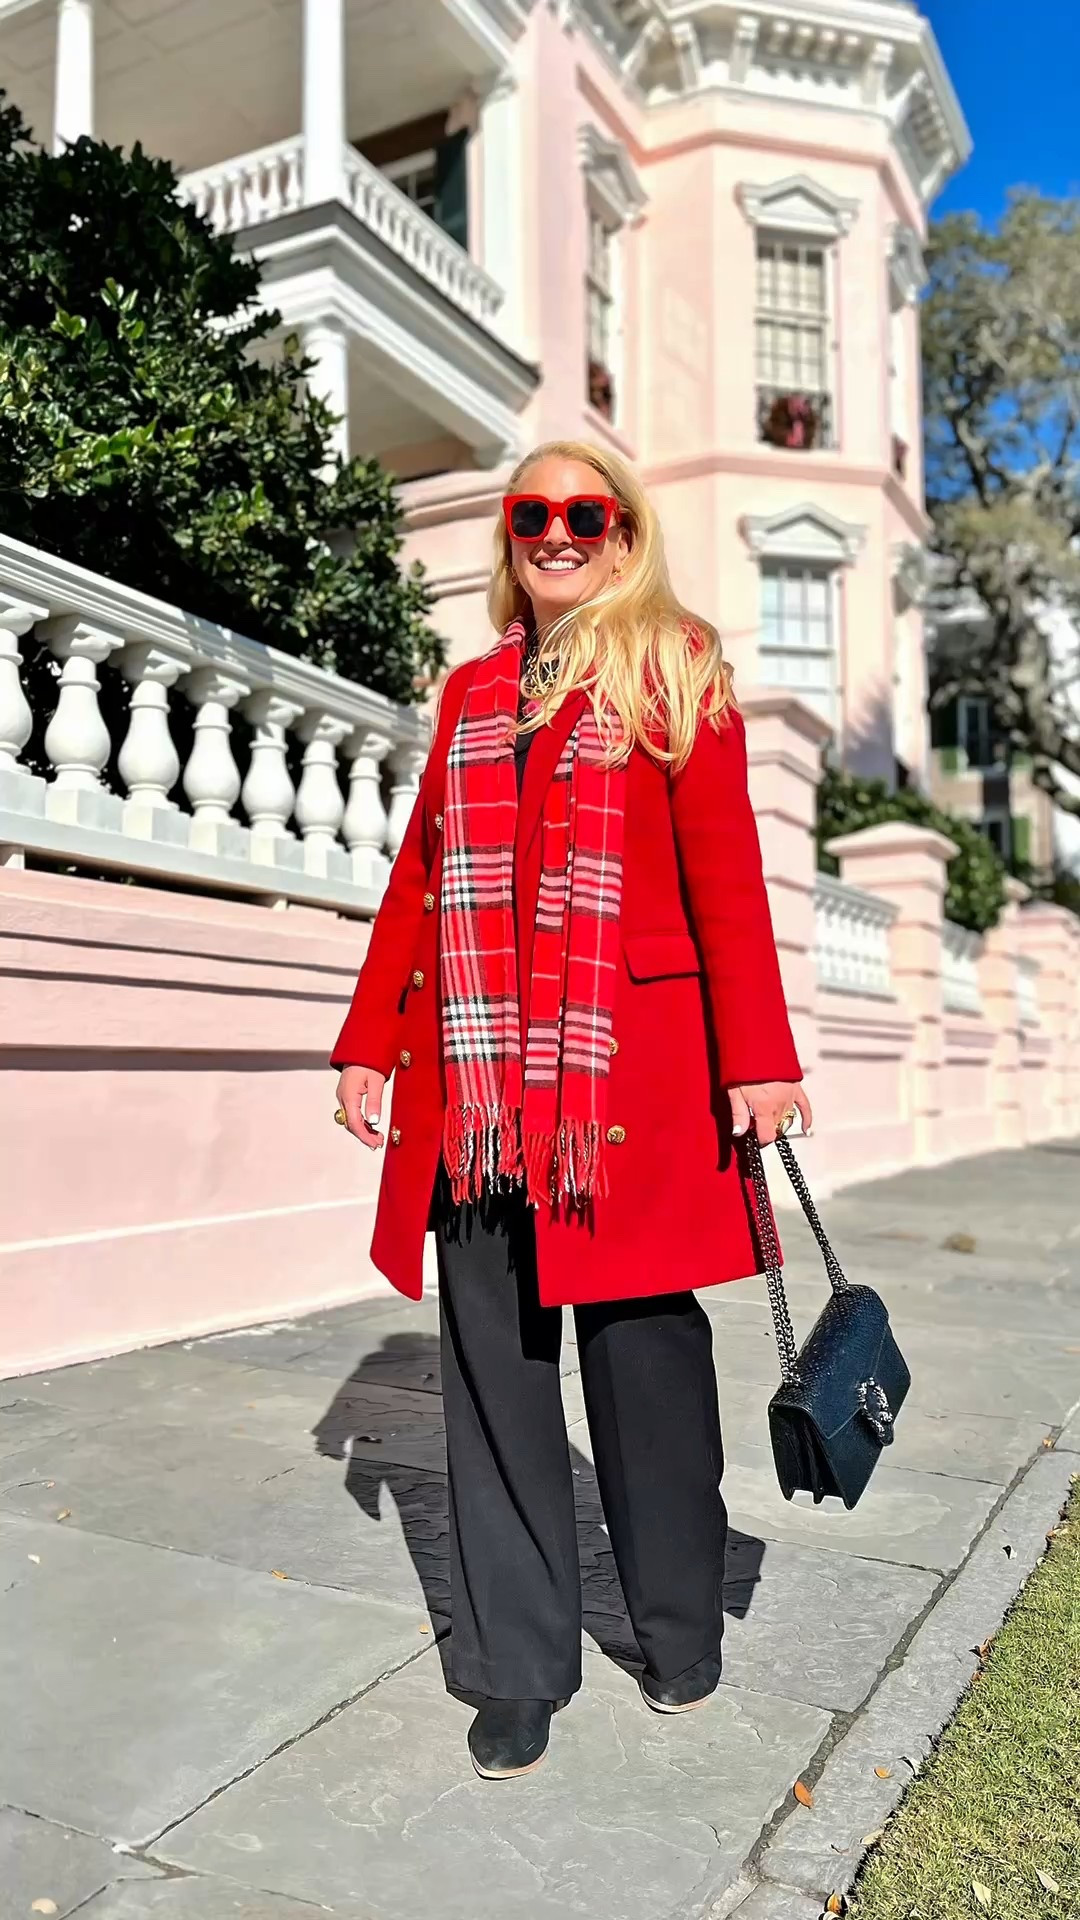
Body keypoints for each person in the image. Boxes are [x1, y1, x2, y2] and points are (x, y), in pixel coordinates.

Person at [331, 439, 811, 1780]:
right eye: (532, 512)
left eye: (583, 513)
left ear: (623, 533)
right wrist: (368, 1043)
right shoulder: (473, 692)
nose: (556, 531)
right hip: (479, 1091)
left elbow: (727, 879)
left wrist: (759, 1058)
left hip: (628, 1083)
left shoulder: (676, 667)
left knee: (647, 1370)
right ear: (512, 535)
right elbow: (420, 879)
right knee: (494, 1384)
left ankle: (678, 1630)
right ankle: (516, 1668)